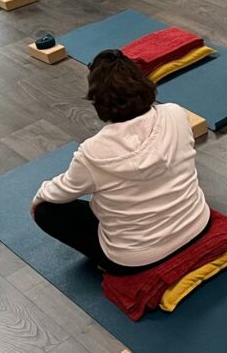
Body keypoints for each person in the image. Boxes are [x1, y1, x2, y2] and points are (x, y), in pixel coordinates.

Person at [31, 50, 211, 275]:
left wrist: (39, 197)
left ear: (98, 102)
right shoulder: (175, 113)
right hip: (198, 224)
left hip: (135, 260)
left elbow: (59, 192)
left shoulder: (92, 151)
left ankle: (110, 266)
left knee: (46, 211)